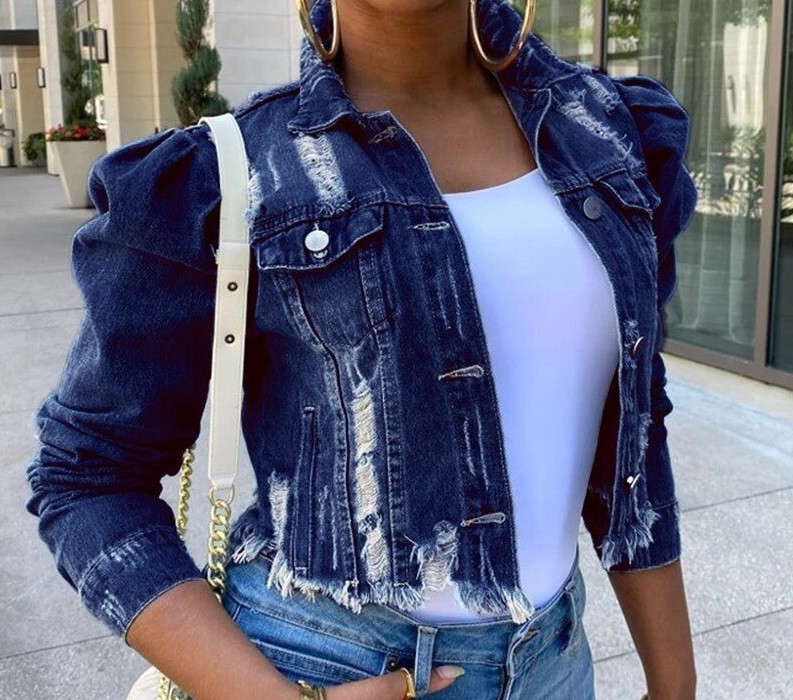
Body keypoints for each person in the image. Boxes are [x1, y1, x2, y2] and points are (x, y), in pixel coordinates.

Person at [26, 0, 699, 698]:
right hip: (319, 664)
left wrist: (673, 681)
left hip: (554, 662)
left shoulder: (608, 133)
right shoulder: (229, 172)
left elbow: (634, 428)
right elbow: (85, 477)